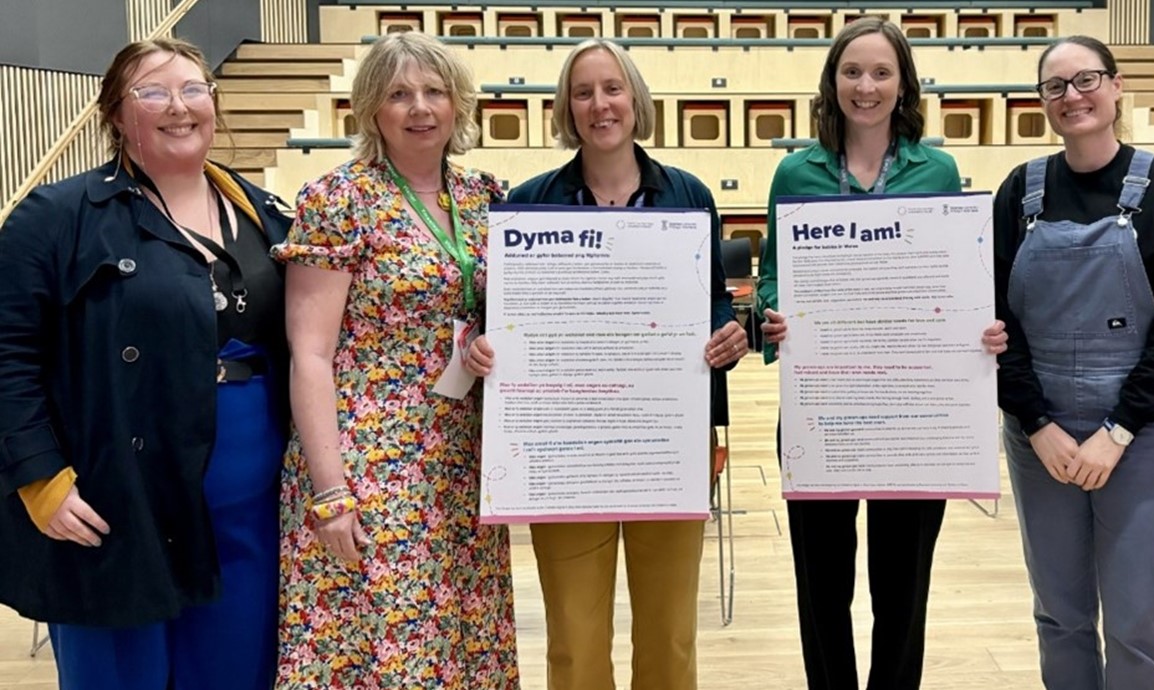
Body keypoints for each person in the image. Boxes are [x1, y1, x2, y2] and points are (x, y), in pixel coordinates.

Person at [0, 38, 289, 690]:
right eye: (153, 92)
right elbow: (8, 357)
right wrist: (39, 477)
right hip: (116, 506)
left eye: (193, 89)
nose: (179, 106)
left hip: (250, 515)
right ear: (115, 115)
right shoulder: (57, 216)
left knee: (237, 676)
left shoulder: (268, 215)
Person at [472, 38, 747, 690]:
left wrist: (725, 338)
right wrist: (487, 347)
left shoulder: (689, 196)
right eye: (584, 91)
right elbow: (504, 318)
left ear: (636, 99)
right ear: (568, 107)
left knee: (671, 633)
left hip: (667, 442)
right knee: (572, 635)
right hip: (565, 451)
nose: (601, 104)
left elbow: (710, 306)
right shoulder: (530, 201)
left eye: (613, 88)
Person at [755, 18, 1005, 689]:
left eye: (881, 73)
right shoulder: (795, 172)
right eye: (852, 72)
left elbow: (959, 278)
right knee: (822, 584)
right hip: (822, 407)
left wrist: (978, 328)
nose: (865, 87)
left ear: (903, 85)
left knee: (903, 586)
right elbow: (772, 273)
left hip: (915, 412)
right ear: (832, 82)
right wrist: (773, 315)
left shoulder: (939, 170)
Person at [272, 31, 518, 688]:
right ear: (371, 109)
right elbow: (312, 354)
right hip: (370, 460)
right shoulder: (340, 199)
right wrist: (330, 495)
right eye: (399, 93)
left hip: (461, 458)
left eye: (435, 91)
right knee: (382, 647)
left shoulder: (486, 197)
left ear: (458, 102)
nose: (420, 108)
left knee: (461, 642)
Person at [992, 35, 1154, 690]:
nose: (1072, 96)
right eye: (1055, 87)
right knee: (1059, 612)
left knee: (1138, 616)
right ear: (1042, 102)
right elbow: (996, 327)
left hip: (1137, 438)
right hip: (1042, 437)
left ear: (1115, 88)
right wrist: (1035, 421)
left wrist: (1117, 431)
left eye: (1086, 80)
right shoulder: (1018, 191)